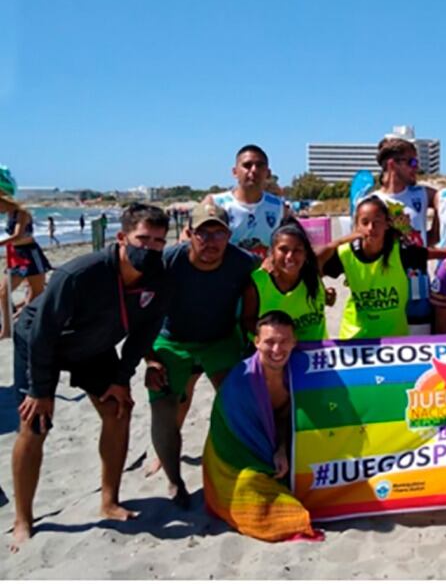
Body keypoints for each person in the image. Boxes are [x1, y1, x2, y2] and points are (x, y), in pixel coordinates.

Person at [10, 203, 170, 551]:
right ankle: (23, 518)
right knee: (34, 423)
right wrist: (40, 390)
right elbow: (42, 331)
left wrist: (121, 377)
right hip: (44, 342)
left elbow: (145, 332)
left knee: (118, 409)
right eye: (143, 239)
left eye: (159, 241)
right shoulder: (82, 273)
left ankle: (110, 500)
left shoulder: (159, 277)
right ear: (122, 237)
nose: (152, 248)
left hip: (96, 346)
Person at [143, 203, 256, 506]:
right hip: (172, 340)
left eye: (218, 233)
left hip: (220, 339)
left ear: (228, 235)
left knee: (238, 402)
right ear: (189, 234)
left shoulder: (242, 263)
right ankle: (174, 479)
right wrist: (150, 358)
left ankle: (240, 466)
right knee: (165, 408)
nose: (211, 241)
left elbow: (269, 288)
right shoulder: (168, 262)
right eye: (203, 233)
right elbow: (140, 313)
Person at [202, 311, 320, 542]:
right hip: (236, 455)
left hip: (277, 441)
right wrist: (271, 457)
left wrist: (282, 448)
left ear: (295, 342)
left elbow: (294, 415)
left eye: (284, 341)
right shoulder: (241, 382)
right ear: (256, 342)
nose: (277, 350)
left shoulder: (299, 372)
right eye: (269, 342)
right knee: (252, 490)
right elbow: (240, 434)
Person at [321, 196, 446, 339]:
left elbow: (438, 253)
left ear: (387, 224)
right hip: (354, 338)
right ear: (356, 226)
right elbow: (311, 268)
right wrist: (321, 291)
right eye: (365, 222)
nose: (371, 228)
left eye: (377, 222)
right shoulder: (345, 253)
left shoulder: (401, 252)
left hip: (393, 340)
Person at [371, 136, 439, 334]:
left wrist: (432, 235)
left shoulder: (421, 194)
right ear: (392, 164)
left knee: (420, 348)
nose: (416, 167)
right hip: (386, 291)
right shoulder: (371, 202)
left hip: (418, 289)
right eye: (412, 162)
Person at [242, 220, 328, 342]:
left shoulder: (313, 276)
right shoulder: (258, 281)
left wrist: (328, 297)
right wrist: (276, 339)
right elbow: (247, 319)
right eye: (283, 249)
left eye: (297, 250)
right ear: (272, 252)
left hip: (314, 354)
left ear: (305, 253)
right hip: (274, 355)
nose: (290, 256)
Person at [206, 144, 288, 258]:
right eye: (247, 165)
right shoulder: (215, 203)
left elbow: (296, 240)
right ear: (234, 172)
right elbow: (188, 240)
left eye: (259, 165)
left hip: (262, 274)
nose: (254, 170)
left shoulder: (278, 207)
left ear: (268, 173)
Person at [1, 192, 52, 339]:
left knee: (36, 292)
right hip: (16, 254)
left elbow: (18, 235)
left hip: (30, 254)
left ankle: (27, 321)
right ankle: (6, 329)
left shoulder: (22, 214)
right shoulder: (9, 215)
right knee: (3, 291)